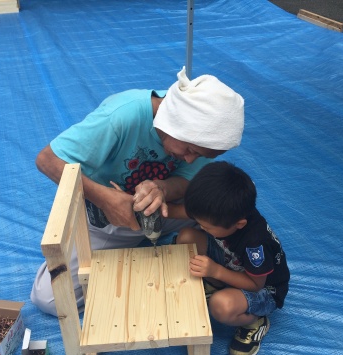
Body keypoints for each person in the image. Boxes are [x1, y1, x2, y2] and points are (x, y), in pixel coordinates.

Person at [31, 67, 245, 316]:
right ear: (175, 121)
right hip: (112, 218)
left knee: (229, 211)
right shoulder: (122, 116)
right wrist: (105, 199)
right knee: (51, 298)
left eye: (199, 155)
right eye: (190, 150)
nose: (189, 160)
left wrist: (162, 188)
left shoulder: (202, 131)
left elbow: (188, 179)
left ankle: (246, 282)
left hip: (167, 209)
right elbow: (47, 160)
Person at [170, 161, 290, 355]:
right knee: (186, 237)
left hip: (262, 289)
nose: (202, 228)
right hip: (231, 264)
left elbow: (255, 284)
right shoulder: (221, 211)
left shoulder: (255, 243)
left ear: (239, 224)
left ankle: (254, 322)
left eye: (207, 227)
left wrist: (215, 271)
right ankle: (215, 285)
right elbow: (181, 212)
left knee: (221, 306)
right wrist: (155, 209)